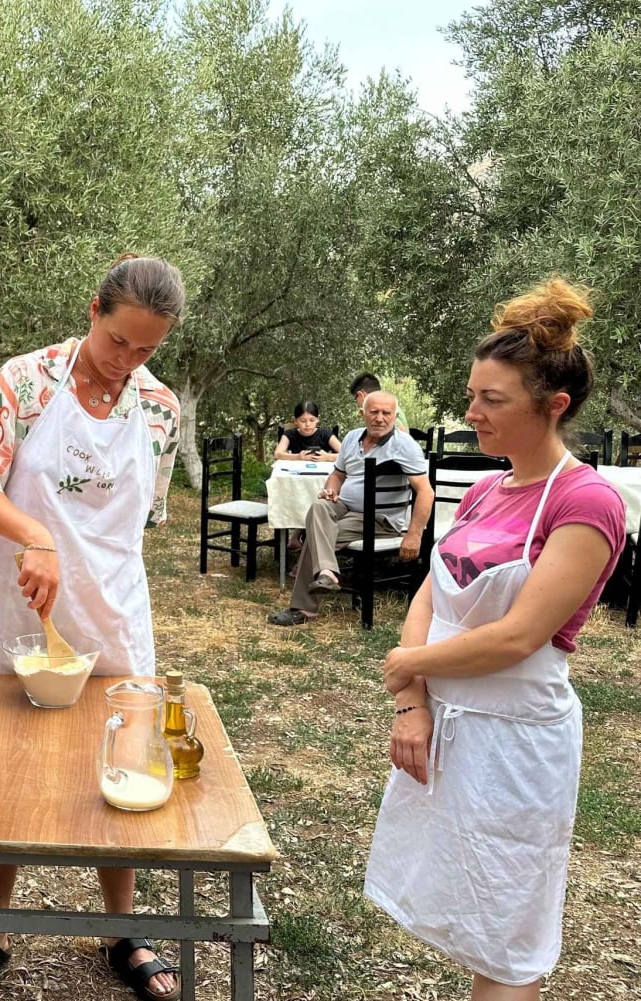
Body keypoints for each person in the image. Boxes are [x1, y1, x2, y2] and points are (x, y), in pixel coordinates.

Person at [365, 278, 625, 1000]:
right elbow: (429, 590)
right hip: (446, 727)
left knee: (510, 931)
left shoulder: (586, 502)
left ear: (555, 406)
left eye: (492, 400)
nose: (472, 412)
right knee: (464, 900)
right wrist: (411, 698)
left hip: (515, 747)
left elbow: (519, 636)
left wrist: (408, 661)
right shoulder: (486, 490)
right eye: (473, 395)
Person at [0, 254, 184, 1001]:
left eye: (147, 349)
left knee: (123, 763)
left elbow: (145, 513)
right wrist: (37, 536)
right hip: (19, 604)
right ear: (93, 310)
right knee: (4, 762)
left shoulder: (161, 408)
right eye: (119, 342)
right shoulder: (23, 382)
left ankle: (123, 928)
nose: (128, 362)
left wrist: (83, 555)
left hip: (113, 608)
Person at [267, 390, 432, 626]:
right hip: (345, 506)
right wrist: (331, 489)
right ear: (362, 413)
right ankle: (328, 573)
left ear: (395, 416)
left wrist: (414, 535)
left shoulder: (405, 446)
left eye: (387, 413)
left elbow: (426, 491)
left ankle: (303, 608)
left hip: (379, 518)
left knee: (316, 537)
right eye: (373, 412)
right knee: (319, 507)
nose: (380, 418)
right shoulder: (353, 438)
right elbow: (337, 474)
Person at [273, 400, 340, 462]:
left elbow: (347, 454)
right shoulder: (289, 434)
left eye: (312, 420)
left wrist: (327, 457)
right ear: (295, 421)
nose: (308, 424)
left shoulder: (325, 434)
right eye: (303, 421)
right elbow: (277, 454)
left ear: (318, 419)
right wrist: (298, 457)